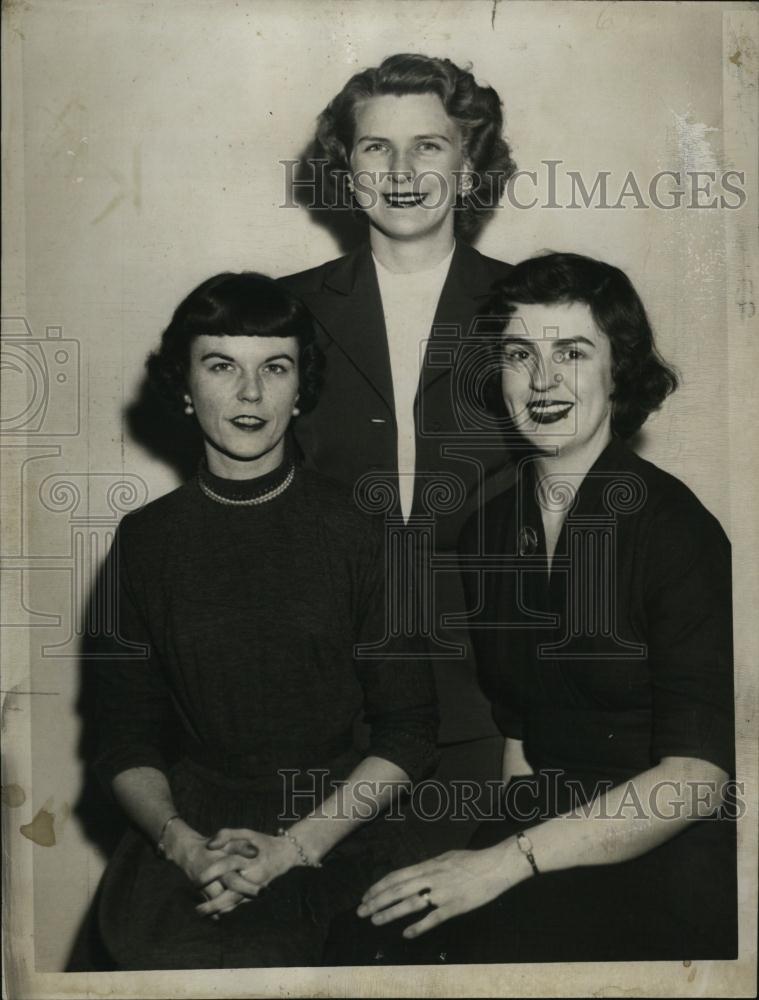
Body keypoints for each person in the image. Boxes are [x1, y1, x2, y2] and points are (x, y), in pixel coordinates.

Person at [356, 252, 737, 962]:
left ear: (616, 371)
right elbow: (523, 744)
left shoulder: (676, 530)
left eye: (571, 352)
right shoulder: (487, 529)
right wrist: (493, 855)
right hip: (540, 832)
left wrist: (504, 864)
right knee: (376, 941)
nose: (542, 380)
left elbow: (696, 778)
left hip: (667, 846)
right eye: (518, 354)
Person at [92, 272, 439, 970]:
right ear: (184, 387)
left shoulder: (364, 528)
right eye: (222, 366)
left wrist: (292, 849)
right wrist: (186, 847)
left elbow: (410, 730)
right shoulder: (145, 539)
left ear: (299, 386)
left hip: (335, 821)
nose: (250, 394)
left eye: (273, 368)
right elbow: (122, 742)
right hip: (190, 829)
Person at [282, 51, 517, 758]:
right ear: (348, 169)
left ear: (467, 166)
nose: (401, 172)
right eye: (376, 147)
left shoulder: (533, 308)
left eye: (428, 146)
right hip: (319, 698)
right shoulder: (283, 310)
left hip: (492, 700)